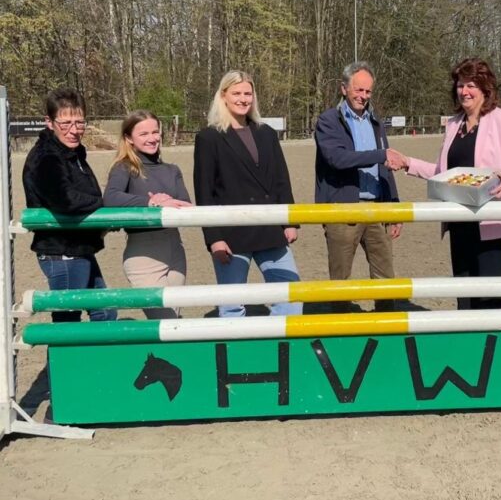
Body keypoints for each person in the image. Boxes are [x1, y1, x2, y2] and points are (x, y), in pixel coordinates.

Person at [386, 58, 501, 310]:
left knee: (491, 298)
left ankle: (497, 336)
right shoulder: (453, 124)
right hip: (459, 222)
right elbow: (444, 174)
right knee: (465, 299)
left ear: (485, 89)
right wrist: (407, 162)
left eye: (471, 85)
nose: (464, 91)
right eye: (460, 85)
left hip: (492, 221)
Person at [194, 70, 302, 317]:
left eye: (247, 93)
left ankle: (278, 340)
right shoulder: (209, 138)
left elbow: (281, 180)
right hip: (231, 234)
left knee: (291, 297)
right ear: (223, 96)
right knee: (232, 305)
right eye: (236, 93)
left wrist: (290, 221)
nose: (243, 99)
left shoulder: (266, 133)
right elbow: (204, 192)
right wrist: (214, 238)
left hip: (270, 229)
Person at [22, 89, 117, 322]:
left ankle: (95, 348)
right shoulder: (47, 158)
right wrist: (105, 205)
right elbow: (65, 200)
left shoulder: (71, 154)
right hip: (62, 251)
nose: (74, 130)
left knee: (105, 311)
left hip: (79, 248)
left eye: (80, 122)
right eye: (65, 123)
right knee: (68, 317)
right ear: (49, 122)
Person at [314, 62, 401, 312]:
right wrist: (380, 155)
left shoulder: (375, 121)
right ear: (344, 89)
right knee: (341, 277)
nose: (363, 96)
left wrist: (394, 206)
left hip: (378, 209)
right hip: (343, 209)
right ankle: (342, 325)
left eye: (368, 91)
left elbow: (386, 168)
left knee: (385, 276)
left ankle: (386, 322)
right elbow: (337, 159)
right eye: (358, 90)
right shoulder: (328, 121)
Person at [103, 110, 191, 319]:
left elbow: (185, 203)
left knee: (174, 321)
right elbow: (111, 198)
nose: (152, 138)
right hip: (144, 254)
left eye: (155, 132)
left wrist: (166, 201)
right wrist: (151, 202)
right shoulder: (125, 167)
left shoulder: (172, 170)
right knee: (165, 319)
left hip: (175, 250)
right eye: (143, 134)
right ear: (129, 138)